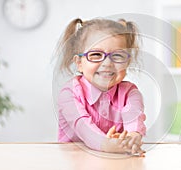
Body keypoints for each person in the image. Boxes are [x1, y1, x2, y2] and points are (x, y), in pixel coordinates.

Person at [56, 17, 146, 156]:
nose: (107, 63)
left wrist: (132, 138)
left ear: (127, 63)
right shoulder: (69, 94)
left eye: (117, 56)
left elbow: (134, 118)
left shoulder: (130, 93)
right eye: (96, 54)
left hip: (116, 161)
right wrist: (106, 144)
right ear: (79, 63)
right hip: (75, 161)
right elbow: (83, 127)